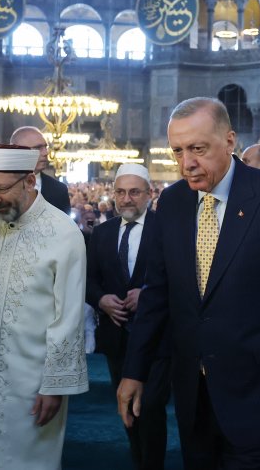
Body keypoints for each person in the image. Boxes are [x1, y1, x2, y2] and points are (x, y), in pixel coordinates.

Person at [118, 97, 260, 470]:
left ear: (230, 142)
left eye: (198, 149)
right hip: (193, 394)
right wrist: (135, 370)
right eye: (177, 151)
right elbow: (158, 295)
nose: (187, 163)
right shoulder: (172, 203)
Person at [0, 144, 89, 469]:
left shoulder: (63, 233)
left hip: (34, 385)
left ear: (29, 181)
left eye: (1, 189)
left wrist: (55, 385)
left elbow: (67, 318)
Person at [87, 163, 169, 470]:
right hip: (117, 336)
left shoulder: (166, 229)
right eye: (120, 192)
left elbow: (182, 280)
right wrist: (101, 300)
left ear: (149, 194)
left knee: (149, 408)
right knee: (128, 410)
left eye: (134, 192)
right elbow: (89, 280)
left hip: (159, 340)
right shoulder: (102, 233)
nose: (126, 199)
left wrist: (147, 294)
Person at [10, 125, 71, 214]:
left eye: (45, 147)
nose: (46, 153)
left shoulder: (59, 190)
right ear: (17, 151)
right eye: (38, 148)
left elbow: (66, 226)